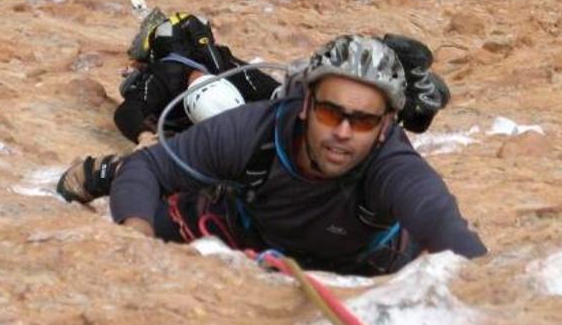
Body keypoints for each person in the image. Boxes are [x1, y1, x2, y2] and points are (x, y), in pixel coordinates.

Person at [109, 34, 487, 275]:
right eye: (329, 112)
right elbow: (149, 165)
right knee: (154, 205)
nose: (342, 132)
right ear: (305, 105)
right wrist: (136, 243)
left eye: (363, 121)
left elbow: (441, 223)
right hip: (247, 236)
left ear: (387, 125)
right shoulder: (255, 130)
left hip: (362, 263)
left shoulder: (392, 164)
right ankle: (101, 176)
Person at [56, 11, 280, 203]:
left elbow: (276, 93)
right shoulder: (177, 71)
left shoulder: (221, 65)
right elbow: (127, 113)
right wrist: (145, 137)